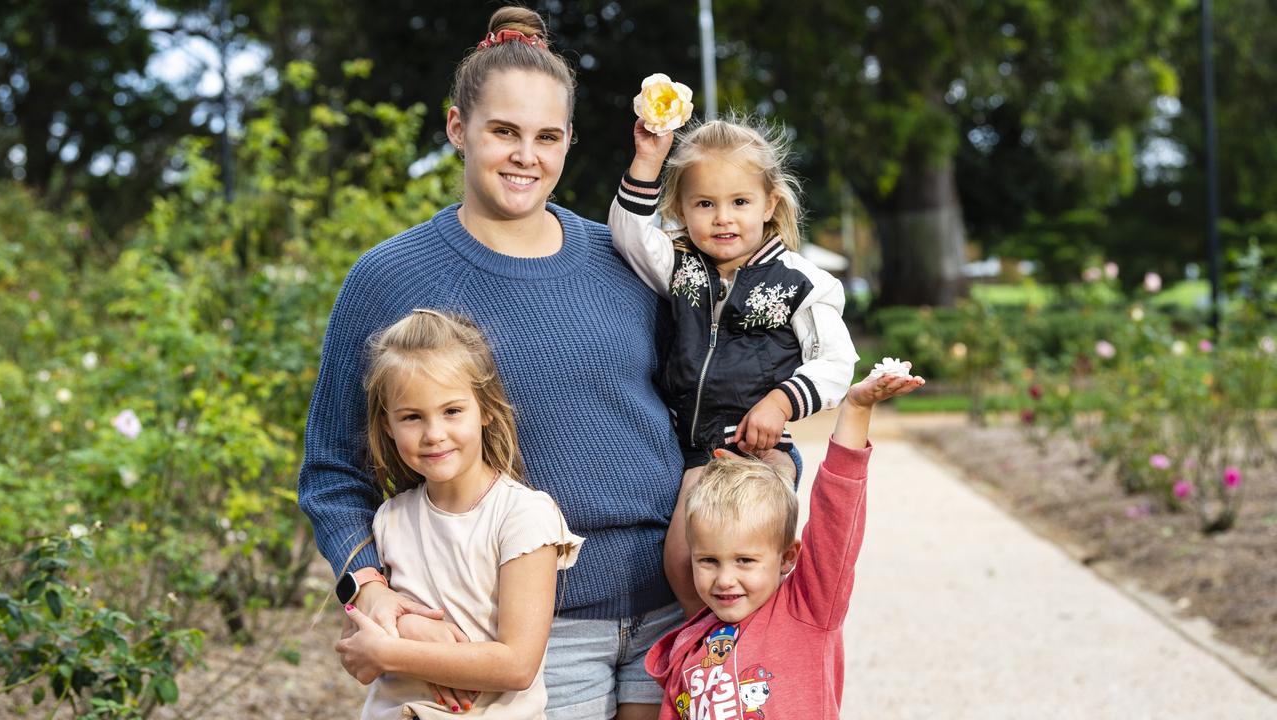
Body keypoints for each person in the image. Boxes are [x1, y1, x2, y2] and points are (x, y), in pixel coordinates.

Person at [298, 7, 685, 718]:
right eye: (503, 131)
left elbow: (702, 401)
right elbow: (330, 471)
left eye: (546, 136)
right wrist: (373, 590)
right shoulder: (388, 278)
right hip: (526, 635)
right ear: (457, 129)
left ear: (571, 140)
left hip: (673, 616)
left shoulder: (627, 261)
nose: (525, 156)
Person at [608, 115, 859, 614]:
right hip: (698, 453)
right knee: (683, 565)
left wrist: (782, 401)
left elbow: (838, 360)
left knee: (748, 567)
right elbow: (630, 233)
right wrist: (648, 159)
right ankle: (709, 660)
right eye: (705, 204)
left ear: (770, 203)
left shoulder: (802, 282)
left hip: (756, 454)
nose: (723, 218)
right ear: (680, 207)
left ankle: (756, 666)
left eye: (740, 202)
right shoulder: (680, 268)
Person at [336, 309, 582, 719]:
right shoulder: (389, 518)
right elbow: (356, 656)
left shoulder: (523, 516)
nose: (434, 434)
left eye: (452, 411)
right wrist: (409, 632)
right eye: (412, 417)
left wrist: (393, 650)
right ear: (388, 425)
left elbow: (517, 665)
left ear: (484, 409)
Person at [644, 362, 926, 718]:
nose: (725, 579)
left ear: (787, 557)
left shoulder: (806, 608)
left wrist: (855, 409)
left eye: (744, 560)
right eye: (709, 561)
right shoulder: (691, 649)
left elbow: (835, 518)